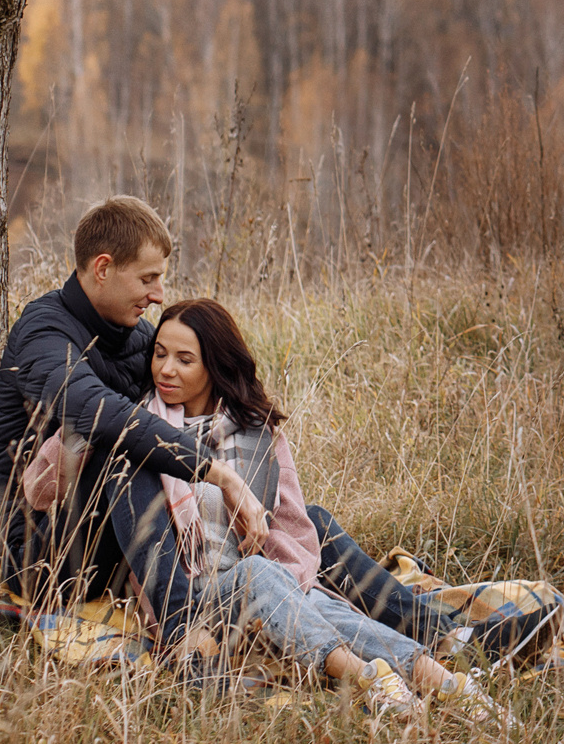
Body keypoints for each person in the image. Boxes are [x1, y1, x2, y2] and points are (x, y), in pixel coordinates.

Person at [0, 196, 457, 654]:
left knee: (308, 524)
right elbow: (101, 414)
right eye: (148, 278)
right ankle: (187, 630)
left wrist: (252, 468)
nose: (159, 294)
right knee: (125, 447)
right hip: (45, 552)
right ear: (103, 268)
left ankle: (446, 636)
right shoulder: (43, 333)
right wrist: (219, 476)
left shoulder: (138, 334)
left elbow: (199, 379)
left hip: (127, 538)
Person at [47, 298, 511, 724]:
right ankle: (366, 677)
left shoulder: (256, 431)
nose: (165, 369)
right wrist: (91, 429)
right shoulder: (138, 423)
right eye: (160, 353)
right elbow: (42, 485)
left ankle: (450, 684)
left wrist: (292, 591)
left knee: (310, 598)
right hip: (195, 598)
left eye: (184, 360)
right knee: (260, 575)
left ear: (215, 366)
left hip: (266, 586)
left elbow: (294, 528)